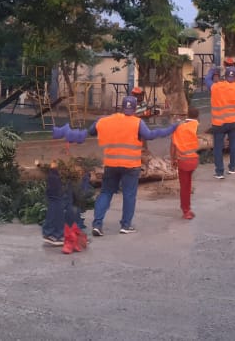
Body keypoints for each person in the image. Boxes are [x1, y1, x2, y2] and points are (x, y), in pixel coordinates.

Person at [54, 96, 178, 236]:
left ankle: (97, 224)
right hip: (131, 166)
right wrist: (171, 129)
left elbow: (92, 130)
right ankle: (125, 225)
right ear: (135, 109)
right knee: (129, 195)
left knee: (106, 192)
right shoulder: (137, 122)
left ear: (121, 107)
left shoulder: (106, 120)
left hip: (111, 164)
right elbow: (150, 135)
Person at [205, 65, 235, 179]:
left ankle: (219, 172)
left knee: (218, 147)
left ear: (225, 76)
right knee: (234, 144)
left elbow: (207, 79)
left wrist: (212, 70)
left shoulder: (216, 86)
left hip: (218, 123)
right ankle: (232, 167)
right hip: (233, 122)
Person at [38, 157, 90, 253]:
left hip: (59, 167)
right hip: (62, 170)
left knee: (56, 200)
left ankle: (53, 232)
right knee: (60, 201)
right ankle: (57, 234)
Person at [169, 108, 201, 219]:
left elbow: (173, 146)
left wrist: (173, 160)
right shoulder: (196, 125)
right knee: (188, 185)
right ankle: (187, 208)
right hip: (193, 160)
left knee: (184, 186)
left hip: (182, 161)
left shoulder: (178, 127)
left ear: (187, 114)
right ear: (197, 116)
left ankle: (186, 210)